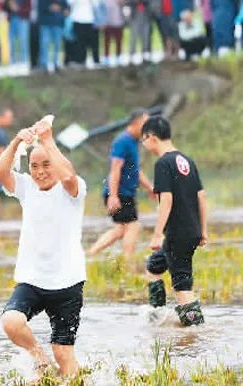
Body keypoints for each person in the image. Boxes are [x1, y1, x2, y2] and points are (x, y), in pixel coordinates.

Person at [0, 117, 87, 376]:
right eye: (34, 166)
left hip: (67, 281)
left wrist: (47, 140)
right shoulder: (26, 187)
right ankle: (40, 359)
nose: (40, 172)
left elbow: (67, 175)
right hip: (32, 279)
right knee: (11, 322)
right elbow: (1, 173)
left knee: (64, 353)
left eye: (46, 165)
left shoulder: (73, 190)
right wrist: (16, 142)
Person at [141, 116, 207, 326]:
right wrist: (203, 230)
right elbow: (201, 197)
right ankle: (157, 315)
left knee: (181, 285)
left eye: (144, 140)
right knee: (153, 266)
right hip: (190, 231)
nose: (144, 144)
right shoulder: (187, 160)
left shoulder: (163, 163)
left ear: (151, 137)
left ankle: (195, 331)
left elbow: (166, 200)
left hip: (177, 234)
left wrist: (157, 233)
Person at [87, 109, 155, 257]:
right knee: (133, 226)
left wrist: (149, 187)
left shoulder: (134, 142)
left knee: (121, 229)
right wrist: (113, 195)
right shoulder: (122, 141)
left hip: (126, 193)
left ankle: (90, 254)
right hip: (119, 193)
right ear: (136, 123)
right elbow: (115, 169)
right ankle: (128, 263)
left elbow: (135, 170)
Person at [68, 0, 100, 67]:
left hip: (90, 20)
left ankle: (96, 60)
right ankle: (80, 60)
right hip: (77, 20)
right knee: (79, 42)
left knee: (92, 42)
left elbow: (96, 5)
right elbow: (70, 3)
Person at [38, 0, 68, 72]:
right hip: (45, 23)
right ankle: (44, 64)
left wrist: (65, 10)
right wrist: (50, 8)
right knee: (44, 44)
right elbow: (40, 7)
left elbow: (66, 7)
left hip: (58, 23)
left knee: (57, 45)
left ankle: (56, 63)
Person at [4, 0, 31, 64]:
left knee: (23, 40)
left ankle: (24, 60)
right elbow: (4, 7)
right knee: (11, 40)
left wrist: (18, 9)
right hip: (12, 19)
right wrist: (9, 5)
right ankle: (12, 60)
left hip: (22, 19)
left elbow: (29, 7)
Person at [103, 0, 125, 66]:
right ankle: (106, 57)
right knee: (107, 41)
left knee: (119, 41)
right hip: (108, 23)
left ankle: (118, 57)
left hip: (118, 23)